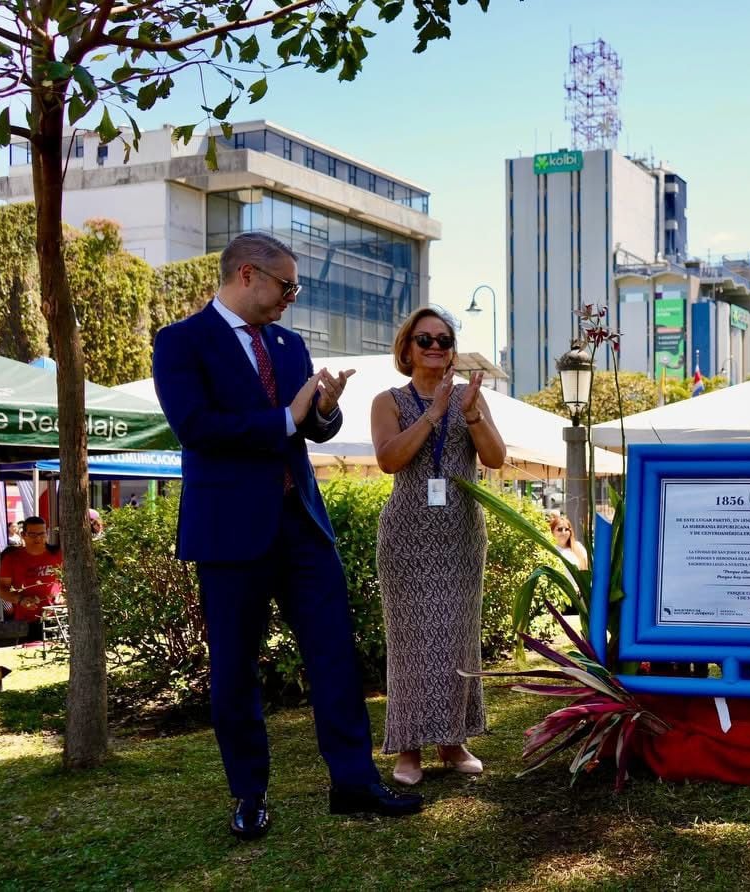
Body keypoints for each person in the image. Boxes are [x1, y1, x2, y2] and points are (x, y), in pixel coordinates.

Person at [152, 232, 420, 842]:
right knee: (234, 670)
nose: (292, 298)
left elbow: (313, 430)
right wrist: (287, 417)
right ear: (248, 274)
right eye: (287, 286)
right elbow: (196, 428)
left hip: (302, 525)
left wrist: (324, 408)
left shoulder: (289, 344)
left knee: (335, 655)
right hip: (229, 535)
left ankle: (353, 783)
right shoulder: (181, 341)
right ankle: (249, 795)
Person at [372, 307, 507, 786]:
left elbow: (496, 457)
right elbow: (389, 460)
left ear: (452, 351)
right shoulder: (388, 401)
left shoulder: (472, 397)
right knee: (410, 643)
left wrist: (469, 413)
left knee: (456, 637)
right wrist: (432, 415)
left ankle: (453, 741)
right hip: (407, 537)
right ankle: (408, 749)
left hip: (460, 536)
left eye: (444, 340)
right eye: (425, 339)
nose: (435, 346)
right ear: (407, 349)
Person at [0, 516, 63, 642]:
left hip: (56, 616)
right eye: (33, 534)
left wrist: (64, 596)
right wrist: (20, 600)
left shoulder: (58, 554)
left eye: (42, 534)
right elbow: (0, 590)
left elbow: (71, 582)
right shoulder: (12, 558)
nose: (38, 538)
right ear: (23, 535)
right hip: (26, 621)